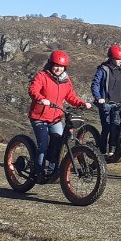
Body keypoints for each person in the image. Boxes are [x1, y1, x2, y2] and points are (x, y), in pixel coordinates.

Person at [28, 50, 92, 180]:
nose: (58, 69)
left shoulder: (66, 80)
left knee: (58, 143)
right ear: (51, 64)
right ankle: (38, 172)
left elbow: (70, 96)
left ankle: (52, 171)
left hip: (56, 117)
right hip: (39, 117)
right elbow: (33, 89)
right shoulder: (42, 76)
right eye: (56, 65)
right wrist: (41, 98)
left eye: (61, 66)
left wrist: (82, 103)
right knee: (43, 144)